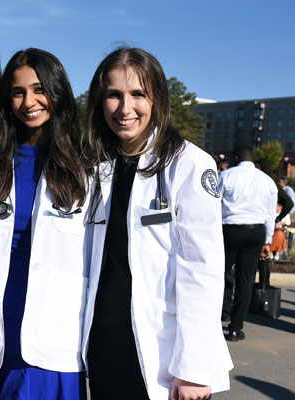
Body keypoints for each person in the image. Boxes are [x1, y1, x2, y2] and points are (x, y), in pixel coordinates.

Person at [82, 47, 232, 400]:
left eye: (138, 95)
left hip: (162, 352)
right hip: (103, 346)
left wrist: (193, 367)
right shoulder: (97, 165)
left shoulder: (189, 165)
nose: (124, 108)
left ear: (158, 100)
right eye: (113, 95)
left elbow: (203, 269)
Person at [0, 48, 91, 400]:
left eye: (39, 89)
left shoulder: (87, 163)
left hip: (56, 309)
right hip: (2, 301)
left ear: (57, 92)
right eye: (18, 92)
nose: (28, 101)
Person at [220, 145, 277, 341]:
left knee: (219, 274)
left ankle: (216, 318)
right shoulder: (267, 181)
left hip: (230, 229)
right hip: (256, 232)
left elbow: (213, 205)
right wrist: (267, 242)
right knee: (245, 279)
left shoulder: (226, 176)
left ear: (236, 157)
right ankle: (235, 328)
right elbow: (271, 215)